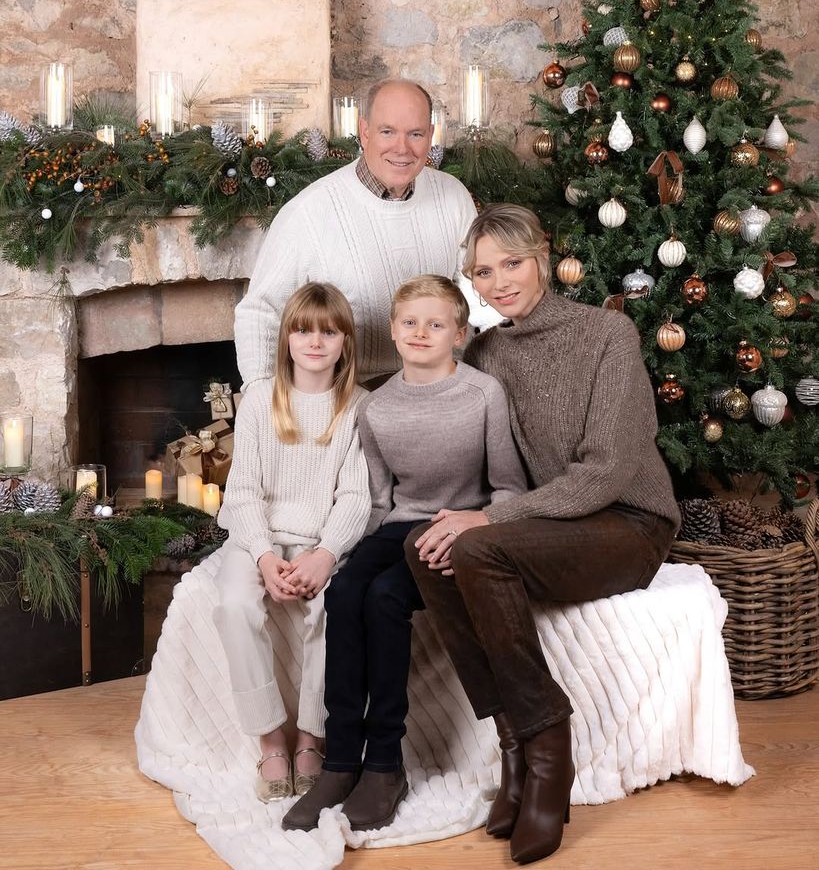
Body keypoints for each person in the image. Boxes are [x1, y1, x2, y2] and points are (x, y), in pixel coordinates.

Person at [405, 205, 681, 865]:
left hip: (626, 522)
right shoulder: (487, 351)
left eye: (511, 263)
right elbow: (462, 442)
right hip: (549, 523)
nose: (499, 282)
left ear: (541, 256)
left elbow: (606, 473)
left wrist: (493, 517)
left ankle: (546, 741)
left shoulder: (607, 333)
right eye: (482, 272)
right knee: (425, 546)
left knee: (476, 543)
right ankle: (512, 743)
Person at [283, 274, 526, 833]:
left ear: (459, 334)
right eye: (410, 322)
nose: (421, 332)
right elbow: (376, 500)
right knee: (347, 591)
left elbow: (509, 486)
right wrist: (336, 552)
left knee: (387, 598)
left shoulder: (482, 394)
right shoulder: (377, 407)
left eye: (435, 324)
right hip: (397, 527)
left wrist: (476, 527)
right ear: (392, 331)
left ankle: (385, 765)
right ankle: (341, 761)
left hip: (458, 528)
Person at [213, 282, 371, 803]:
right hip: (255, 539)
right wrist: (261, 556)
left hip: (323, 542)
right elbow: (243, 491)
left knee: (337, 606)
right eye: (303, 330)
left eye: (329, 331)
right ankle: (270, 739)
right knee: (235, 603)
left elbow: (354, 495)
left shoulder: (358, 407)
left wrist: (325, 555)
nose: (315, 342)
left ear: (346, 341)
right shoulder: (260, 399)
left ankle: (310, 737)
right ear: (286, 339)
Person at [233, 78, 496, 390]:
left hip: (439, 384)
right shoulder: (308, 211)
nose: (402, 148)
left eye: (415, 134)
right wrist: (260, 397)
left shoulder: (453, 196)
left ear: (430, 136)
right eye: (388, 132)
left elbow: (477, 294)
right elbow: (261, 310)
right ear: (365, 131)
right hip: (350, 397)